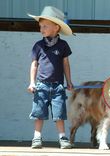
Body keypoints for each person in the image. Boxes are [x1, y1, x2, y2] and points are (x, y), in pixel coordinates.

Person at [27, 6, 73, 149]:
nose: (41, 29)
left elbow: (66, 64)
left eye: (45, 26)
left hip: (58, 86)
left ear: (56, 28)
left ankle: (63, 138)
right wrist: (32, 82)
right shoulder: (38, 46)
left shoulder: (63, 45)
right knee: (39, 113)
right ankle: (37, 138)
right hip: (41, 86)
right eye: (40, 26)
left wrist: (69, 82)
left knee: (59, 114)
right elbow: (34, 64)